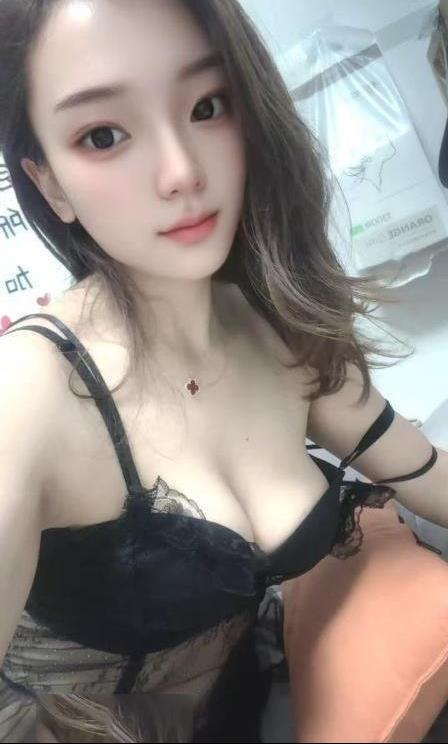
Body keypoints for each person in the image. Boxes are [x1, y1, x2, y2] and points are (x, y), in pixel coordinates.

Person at [0, 0, 446, 741]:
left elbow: (428, 473)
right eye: (103, 135)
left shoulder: (277, 326)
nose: (181, 171)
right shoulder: (29, 392)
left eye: (207, 106)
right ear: (50, 185)